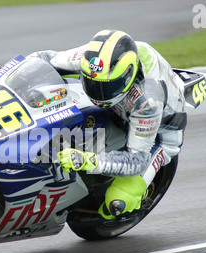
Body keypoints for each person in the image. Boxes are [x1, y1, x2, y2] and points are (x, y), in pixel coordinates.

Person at [28, 29, 187, 220]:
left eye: (107, 87)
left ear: (127, 77)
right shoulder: (95, 58)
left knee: (118, 201)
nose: (99, 93)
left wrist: (86, 160)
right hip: (119, 108)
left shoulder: (148, 103)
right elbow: (44, 59)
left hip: (160, 134)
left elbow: (137, 160)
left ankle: (134, 199)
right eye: (93, 84)